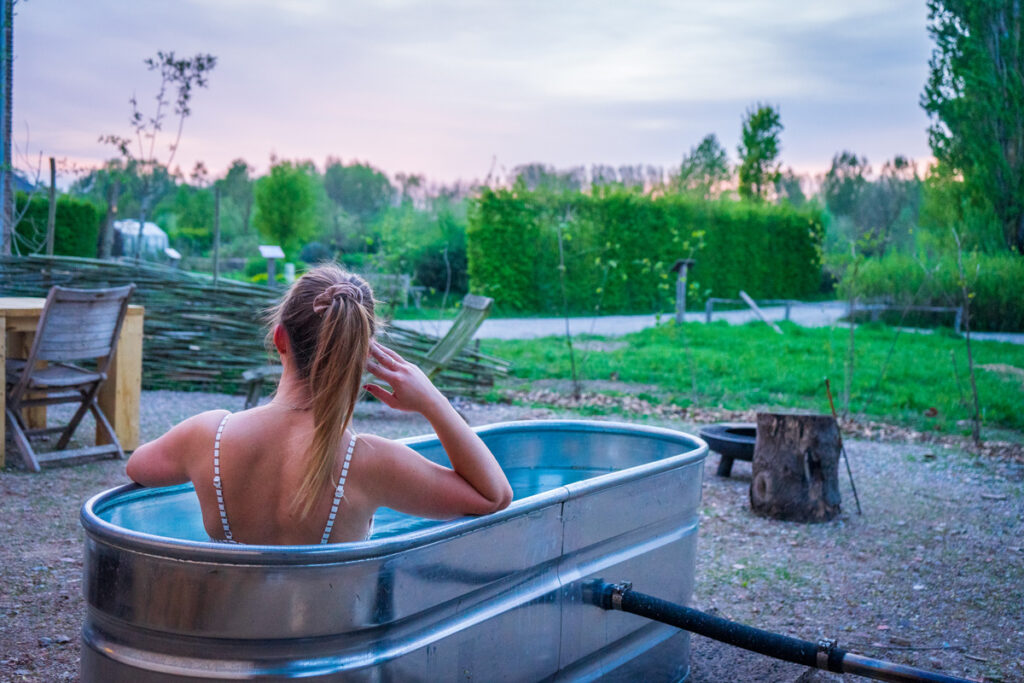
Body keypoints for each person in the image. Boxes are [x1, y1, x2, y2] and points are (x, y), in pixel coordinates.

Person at [126, 264, 513, 544]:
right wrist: (433, 401)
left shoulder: (207, 436)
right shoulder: (368, 461)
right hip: (330, 646)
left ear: (279, 339)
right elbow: (494, 496)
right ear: (360, 356)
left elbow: (138, 467)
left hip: (231, 641)